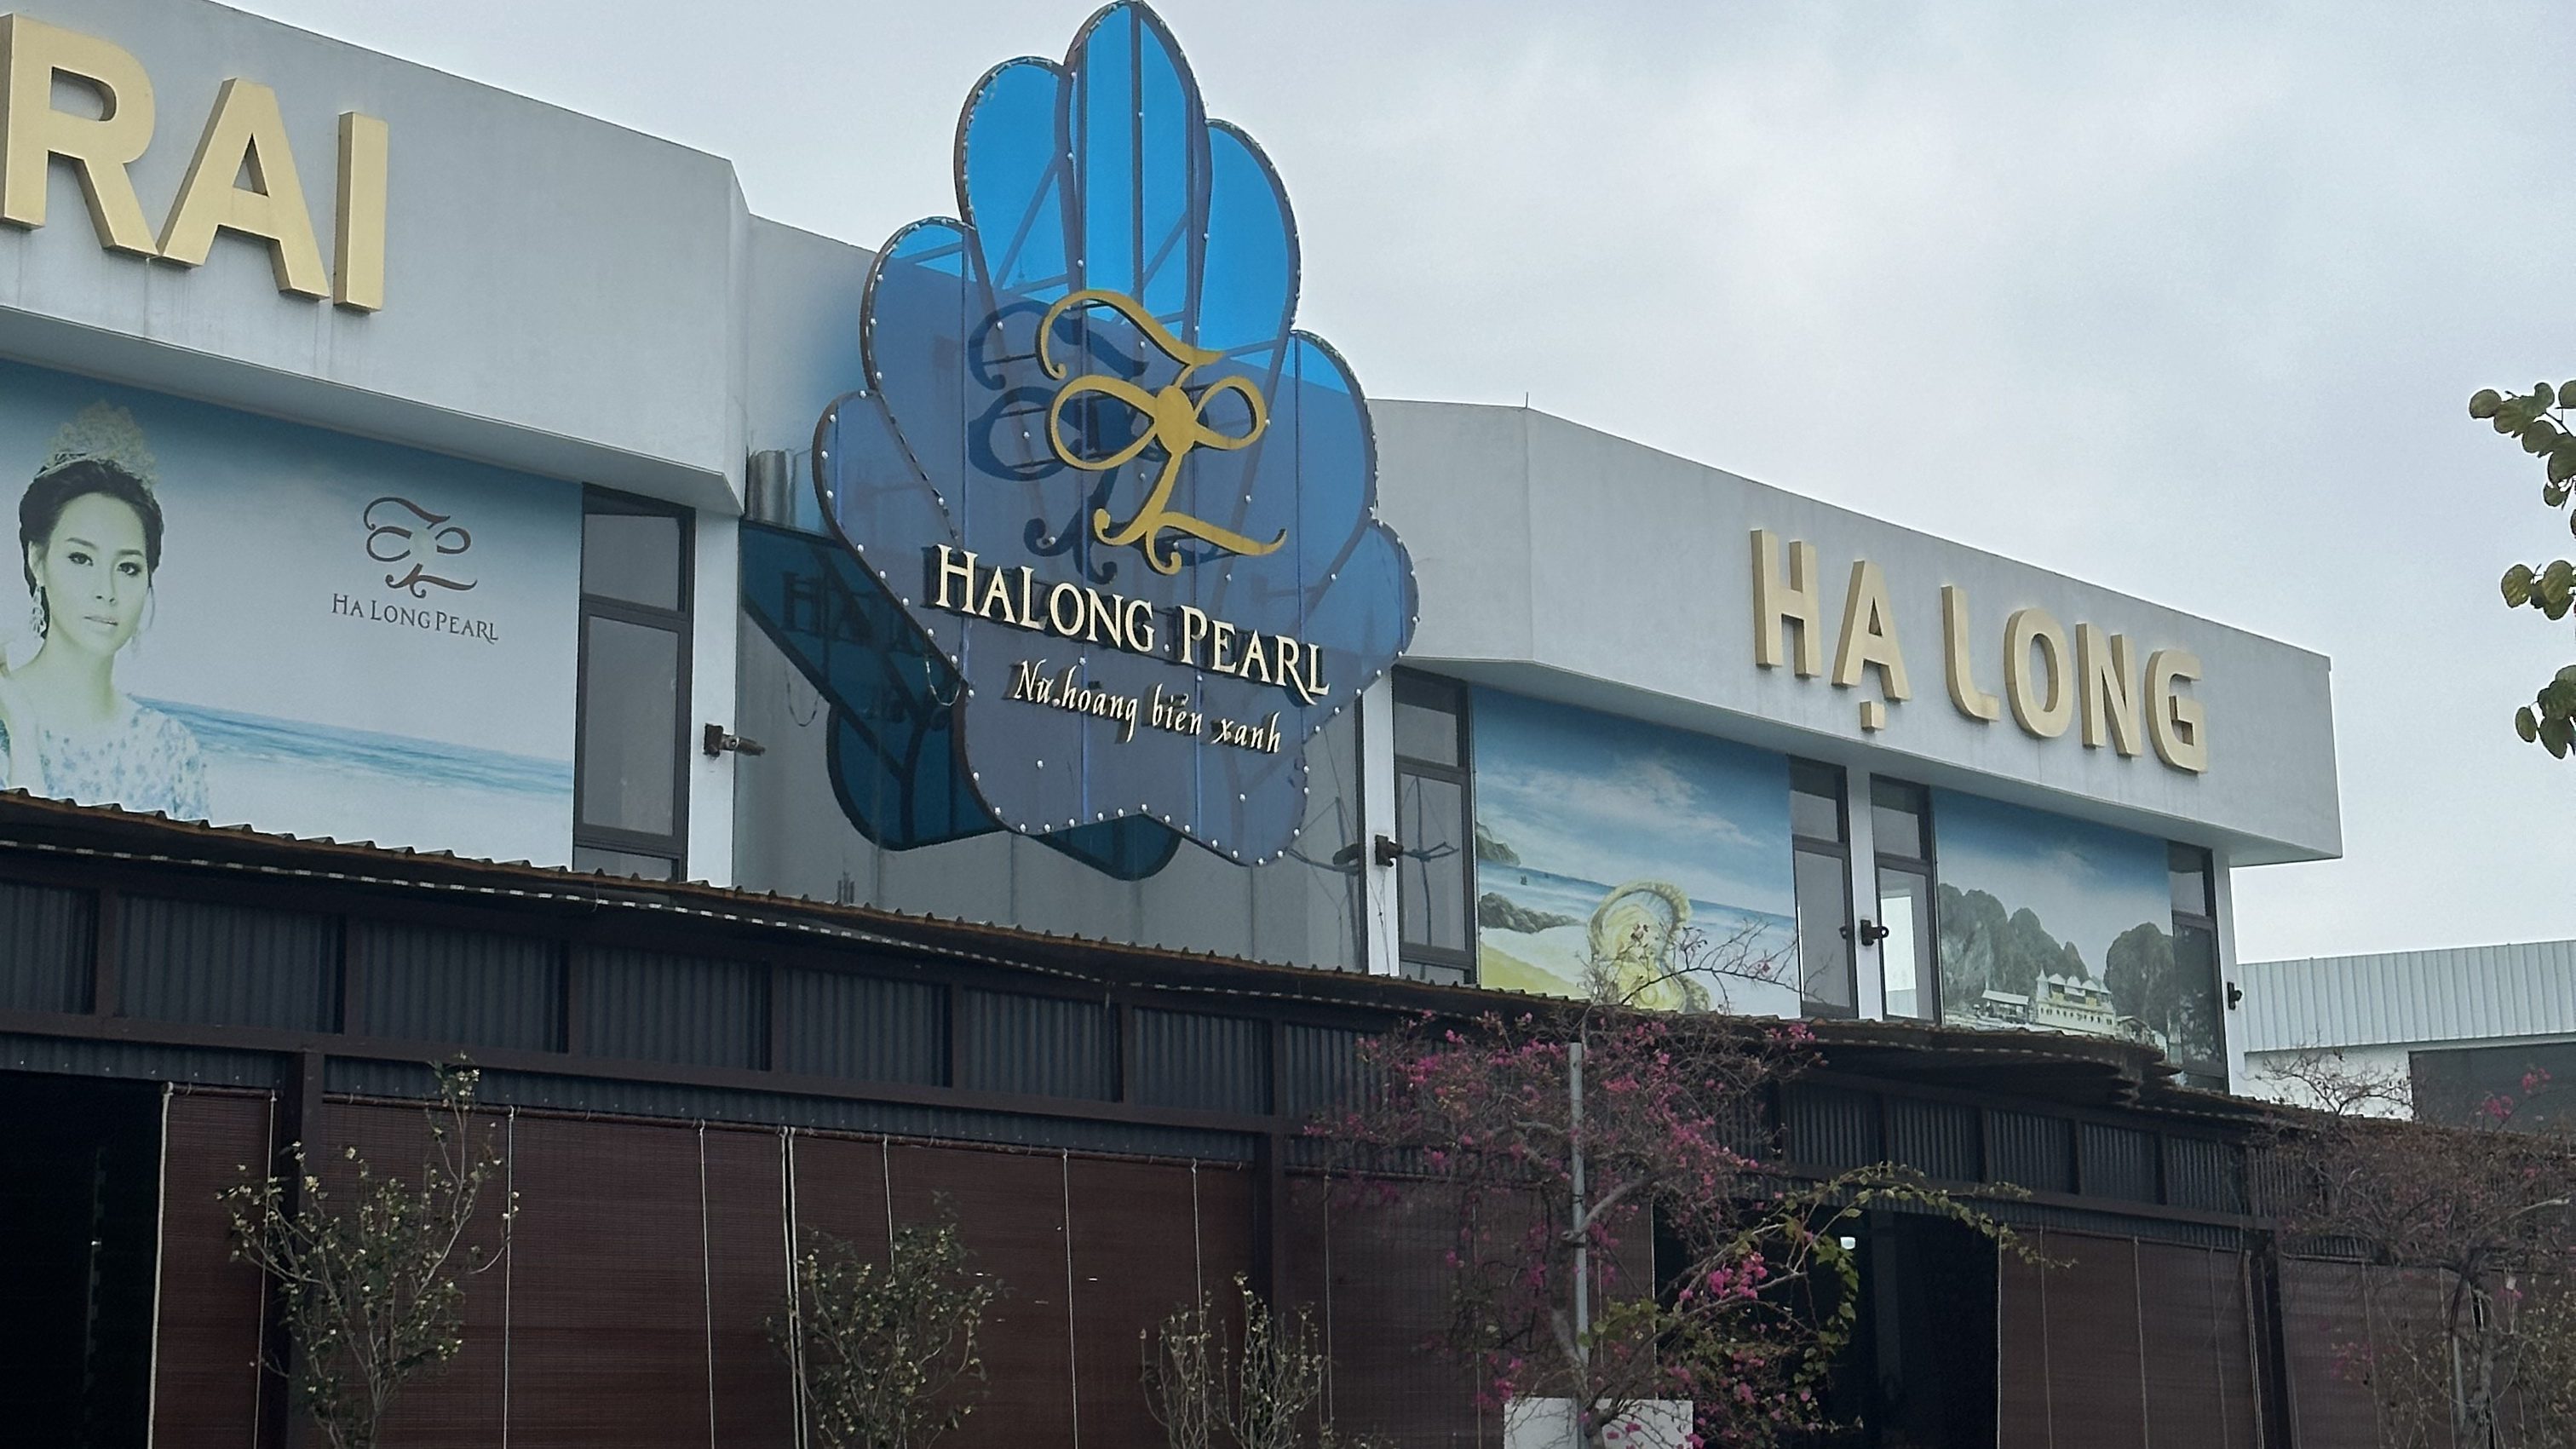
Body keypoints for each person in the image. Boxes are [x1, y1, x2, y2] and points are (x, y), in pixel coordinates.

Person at [0, 403, 206, 818]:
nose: (106, 591)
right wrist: (21, 729)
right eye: (81, 559)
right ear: (37, 561)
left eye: (128, 568)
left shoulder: (168, 747)